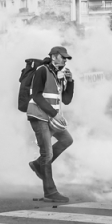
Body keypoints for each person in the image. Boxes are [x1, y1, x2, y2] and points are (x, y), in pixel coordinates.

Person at [26, 45, 75, 202]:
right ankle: (50, 192)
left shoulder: (58, 75)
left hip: (50, 118)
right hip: (39, 116)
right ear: (54, 56)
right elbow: (37, 95)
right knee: (47, 153)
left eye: (67, 58)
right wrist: (54, 114)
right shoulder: (42, 70)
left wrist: (71, 81)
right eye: (63, 57)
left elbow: (66, 100)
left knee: (67, 140)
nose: (66, 60)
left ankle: (37, 165)